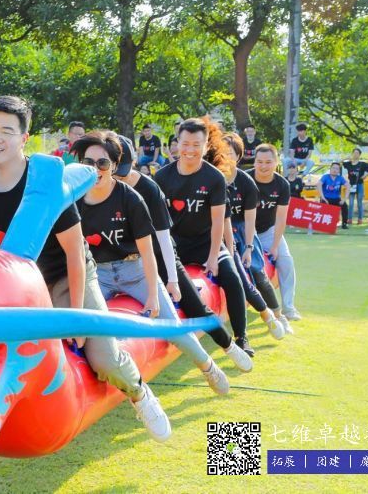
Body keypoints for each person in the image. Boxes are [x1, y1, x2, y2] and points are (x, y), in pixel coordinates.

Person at [0, 96, 171, 442]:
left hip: (67, 278)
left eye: (6, 130)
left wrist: (76, 316)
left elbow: (75, 254)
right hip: (21, 288)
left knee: (104, 359)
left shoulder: (44, 183)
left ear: (24, 137)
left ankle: (140, 393)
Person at [74, 130, 230, 394]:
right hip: (98, 274)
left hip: (135, 270)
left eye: (103, 163)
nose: (96, 169)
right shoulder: (74, 199)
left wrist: (155, 296)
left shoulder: (131, 198)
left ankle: (208, 366)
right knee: (91, 330)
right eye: (89, 162)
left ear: (114, 166)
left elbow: (148, 251)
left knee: (173, 328)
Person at [112, 134, 253, 372]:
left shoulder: (148, 188)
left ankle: (230, 344)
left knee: (196, 305)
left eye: (122, 171)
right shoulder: (91, 190)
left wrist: (173, 279)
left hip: (157, 256)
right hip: (112, 266)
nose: (118, 177)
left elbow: (164, 237)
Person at [153, 117, 253, 356]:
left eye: (196, 144)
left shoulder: (214, 178)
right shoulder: (162, 177)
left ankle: (241, 337)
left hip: (206, 243)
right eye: (185, 143)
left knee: (232, 279)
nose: (190, 150)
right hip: (175, 246)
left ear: (206, 145)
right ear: (176, 144)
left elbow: (218, 221)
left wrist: (212, 257)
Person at [216, 132, 291, 337]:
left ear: (238, 156)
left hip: (241, 231)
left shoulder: (247, 182)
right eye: (221, 153)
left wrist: (249, 247)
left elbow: (250, 220)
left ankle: (278, 315)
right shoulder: (211, 177)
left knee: (256, 272)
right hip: (216, 231)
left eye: (230, 154)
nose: (225, 158)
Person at [248, 144, 302, 322]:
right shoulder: (245, 179)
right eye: (259, 162)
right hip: (245, 231)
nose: (263, 166)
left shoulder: (282, 184)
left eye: (268, 162)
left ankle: (288, 308)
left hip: (268, 231)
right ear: (254, 162)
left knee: (286, 262)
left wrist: (275, 245)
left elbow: (280, 218)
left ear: (276, 162)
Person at [343, 148, 368, 225]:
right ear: (352, 154)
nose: (355, 154)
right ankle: (349, 219)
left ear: (359, 155)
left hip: (360, 185)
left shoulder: (362, 164)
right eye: (354, 153)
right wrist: (346, 158)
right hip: (351, 185)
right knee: (351, 203)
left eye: (357, 153)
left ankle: (360, 219)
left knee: (359, 203)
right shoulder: (348, 164)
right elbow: (338, 163)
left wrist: (366, 175)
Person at [318, 162, 350, 229]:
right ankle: (323, 223)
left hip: (336, 199)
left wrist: (344, 199)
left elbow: (348, 186)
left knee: (344, 206)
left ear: (339, 171)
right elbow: (319, 184)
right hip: (326, 198)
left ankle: (344, 223)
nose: (335, 170)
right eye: (333, 168)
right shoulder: (325, 177)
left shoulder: (340, 178)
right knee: (323, 205)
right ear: (330, 169)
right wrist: (322, 197)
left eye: (337, 169)